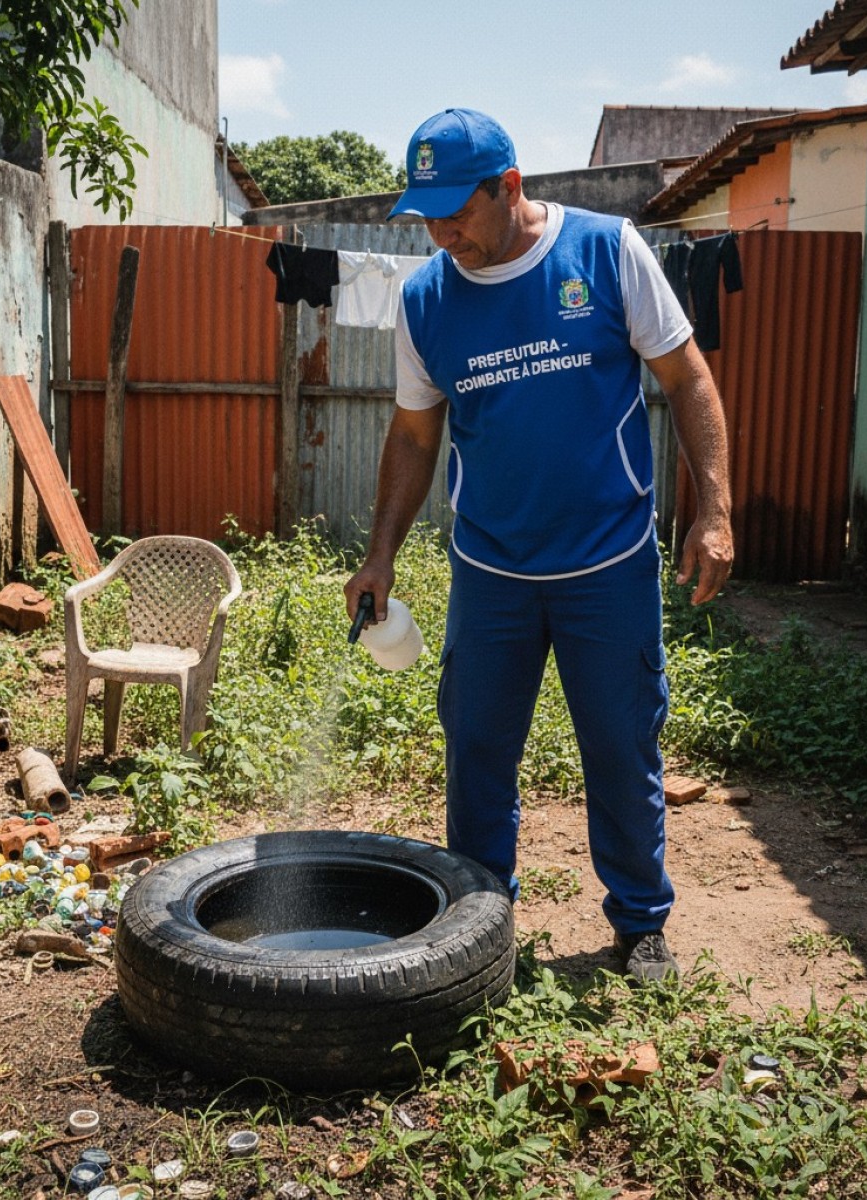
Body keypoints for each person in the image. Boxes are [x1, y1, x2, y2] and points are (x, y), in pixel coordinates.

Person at [344, 108, 733, 982]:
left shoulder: (605, 251)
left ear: (509, 187)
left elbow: (687, 378)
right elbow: (413, 436)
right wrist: (380, 554)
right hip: (492, 571)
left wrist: (715, 511)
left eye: (457, 213)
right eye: (429, 218)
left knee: (621, 742)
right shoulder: (426, 299)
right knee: (477, 745)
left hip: (608, 563)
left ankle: (640, 923)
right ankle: (482, 923)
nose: (443, 234)